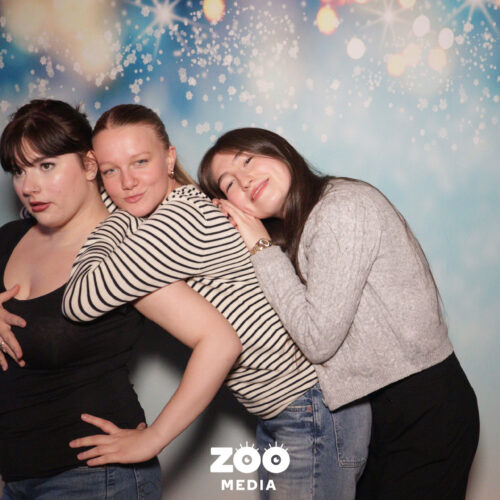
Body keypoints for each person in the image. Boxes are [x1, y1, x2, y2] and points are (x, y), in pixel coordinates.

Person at [52, 103, 371, 500]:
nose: (128, 182)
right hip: (294, 409)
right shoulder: (175, 210)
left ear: (169, 158)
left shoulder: (183, 221)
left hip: (309, 410)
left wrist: (114, 214)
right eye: (110, 171)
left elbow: (80, 300)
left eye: (140, 162)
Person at [197, 126, 481, 500]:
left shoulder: (340, 208)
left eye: (247, 160)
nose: (245, 179)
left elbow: (318, 340)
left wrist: (261, 247)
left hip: (421, 409)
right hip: (376, 412)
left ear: (279, 151)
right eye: (229, 183)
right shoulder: (304, 225)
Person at [0, 99, 241, 499]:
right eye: (19, 171)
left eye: (47, 166)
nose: (29, 187)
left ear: (89, 165)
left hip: (92, 480)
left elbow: (219, 341)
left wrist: (154, 438)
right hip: (15, 479)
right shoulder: (11, 237)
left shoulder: (125, 254)